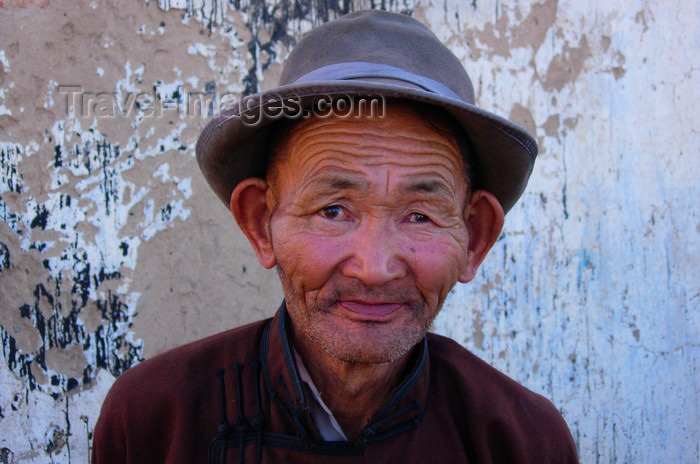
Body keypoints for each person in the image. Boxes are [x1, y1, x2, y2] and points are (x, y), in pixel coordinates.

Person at [92, 9, 579, 464]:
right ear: (262, 223)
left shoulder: (521, 441)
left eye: (419, 216)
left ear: (474, 239)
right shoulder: (156, 421)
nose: (373, 267)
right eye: (333, 210)